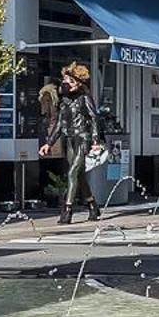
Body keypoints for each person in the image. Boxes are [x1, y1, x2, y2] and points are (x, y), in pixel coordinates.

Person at [40, 64, 104, 225]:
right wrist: (49, 143)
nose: (65, 83)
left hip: (83, 138)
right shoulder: (65, 102)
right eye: (65, 80)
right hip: (69, 139)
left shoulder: (85, 98)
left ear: (78, 83)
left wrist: (95, 141)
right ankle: (92, 205)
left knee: (72, 173)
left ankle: (67, 210)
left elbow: (94, 119)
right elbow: (60, 125)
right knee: (79, 175)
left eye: (69, 80)